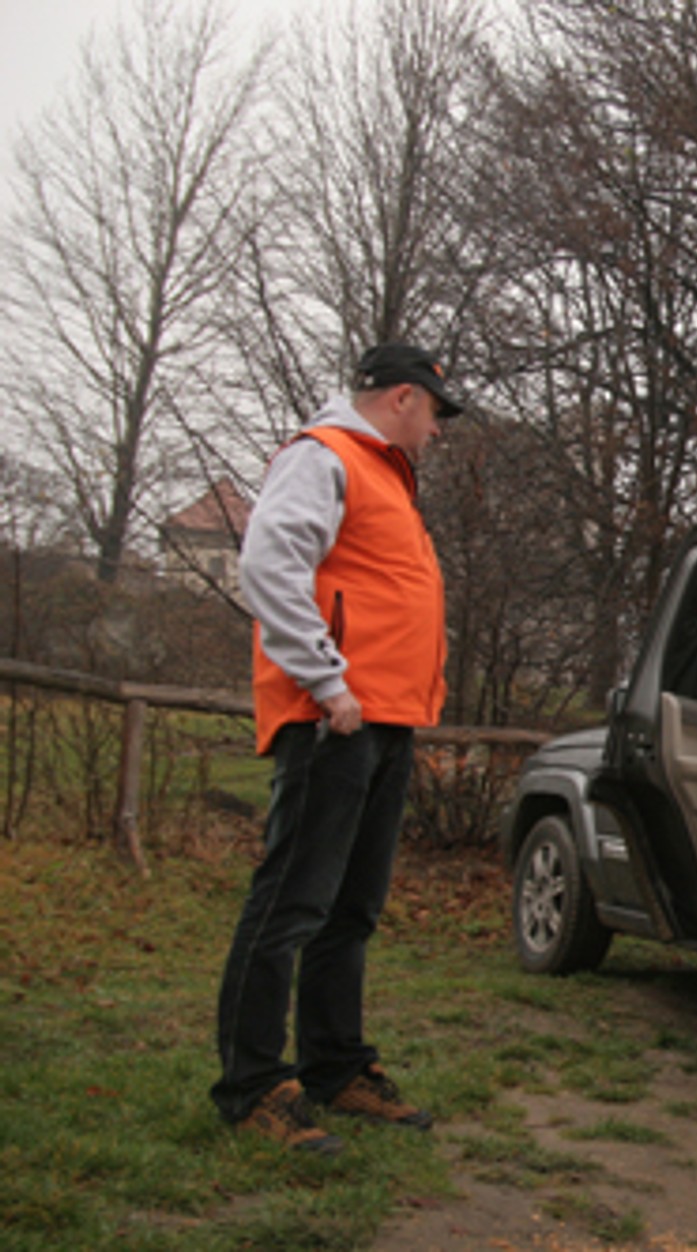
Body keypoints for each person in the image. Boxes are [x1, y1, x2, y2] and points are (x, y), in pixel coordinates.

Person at [210, 342, 463, 1154]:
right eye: (434, 412)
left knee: (350, 911)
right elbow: (270, 564)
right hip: (337, 718)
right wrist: (328, 683)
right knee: (291, 904)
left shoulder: (387, 477)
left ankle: (334, 1066)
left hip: (384, 719)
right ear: (400, 398)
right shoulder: (324, 457)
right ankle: (253, 1085)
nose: (435, 430)